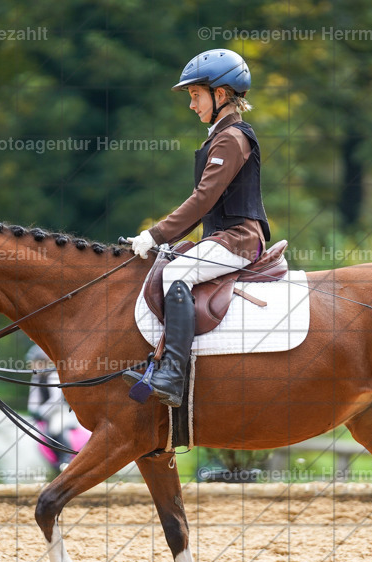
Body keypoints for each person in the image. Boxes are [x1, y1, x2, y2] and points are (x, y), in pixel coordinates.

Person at [123, 48, 270, 407]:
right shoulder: (220, 136)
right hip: (222, 238)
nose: (191, 105)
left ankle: (172, 375)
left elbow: (203, 199)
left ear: (220, 95)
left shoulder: (232, 138)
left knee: (177, 275)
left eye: (195, 96)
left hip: (239, 240)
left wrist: (155, 234)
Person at [26, 345, 80, 469]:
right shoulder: (36, 377)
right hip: (43, 412)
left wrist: (41, 411)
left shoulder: (53, 376)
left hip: (58, 411)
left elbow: (56, 400)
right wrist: (33, 410)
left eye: (34, 363)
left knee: (55, 428)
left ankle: (65, 460)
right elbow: (34, 397)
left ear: (42, 363)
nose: (31, 366)